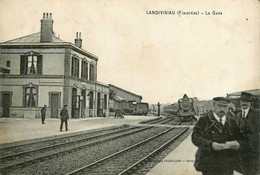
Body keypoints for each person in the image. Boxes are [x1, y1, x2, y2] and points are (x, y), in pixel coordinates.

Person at [192, 97, 241, 175]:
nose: (222, 109)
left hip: (227, 163)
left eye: (225, 106)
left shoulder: (232, 121)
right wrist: (210, 144)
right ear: (213, 106)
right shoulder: (204, 120)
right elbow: (195, 137)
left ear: (228, 107)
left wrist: (237, 144)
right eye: (219, 106)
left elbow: (239, 138)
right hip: (209, 163)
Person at [235, 92, 260, 175]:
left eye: (247, 101)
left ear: (250, 102)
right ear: (240, 102)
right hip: (241, 152)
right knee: (245, 171)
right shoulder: (238, 115)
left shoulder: (257, 113)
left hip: (255, 151)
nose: (244, 103)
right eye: (242, 101)